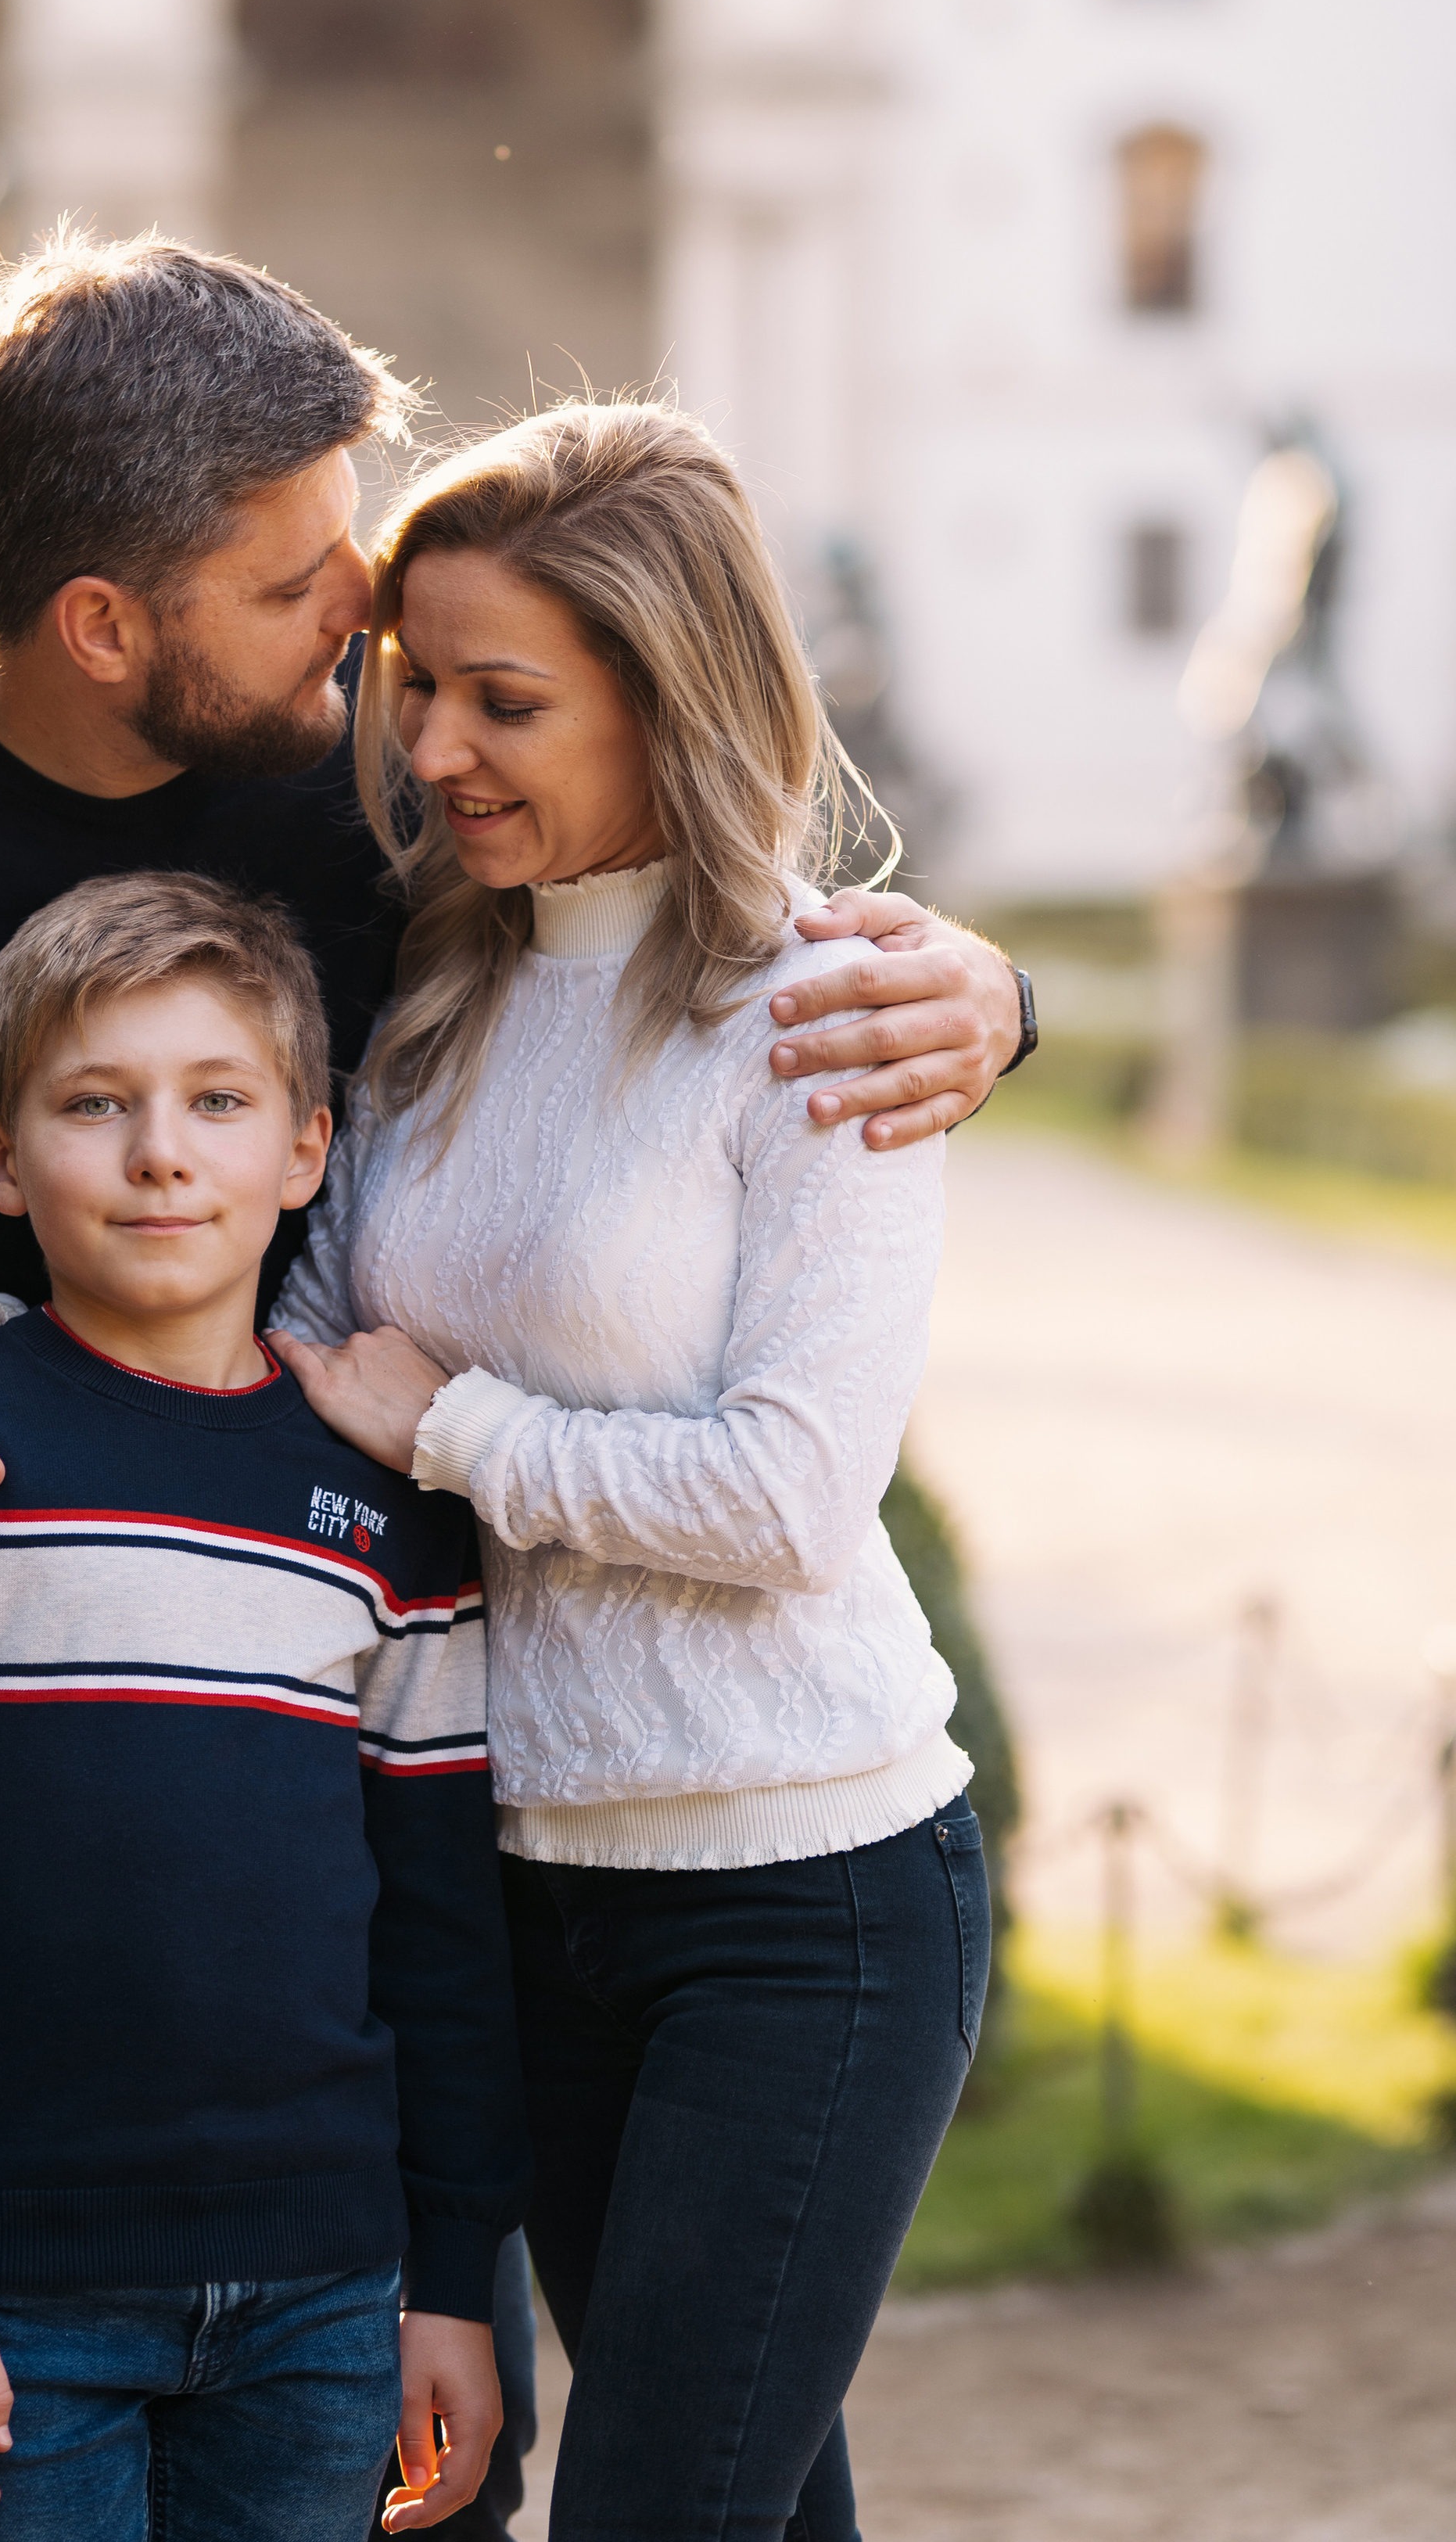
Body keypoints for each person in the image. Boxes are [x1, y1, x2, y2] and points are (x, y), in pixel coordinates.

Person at [0, 234, 1024, 2541]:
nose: (377, 641)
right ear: (108, 623)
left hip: (366, 1690)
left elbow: (672, 931)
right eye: (308, 580)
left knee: (418, 2423)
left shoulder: (369, 810)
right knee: (20, 2386)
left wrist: (990, 1004)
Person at [256, 400, 989, 2542]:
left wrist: (461, 1432)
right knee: (752, 2504)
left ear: (667, 702)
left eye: (508, 702)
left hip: (810, 1902)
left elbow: (788, 1503)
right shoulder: (431, 1007)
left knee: (656, 2510)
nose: (440, 753)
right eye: (421, 696)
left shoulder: (830, 1005)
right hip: (522, 1886)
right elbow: (306, 1335)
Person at [0, 869, 526, 2540]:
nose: (160, 1153)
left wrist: (449, 2280)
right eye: (93, 1105)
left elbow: (442, 1936)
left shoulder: (390, 1504)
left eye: (216, 1102)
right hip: (3, 2293)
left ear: (305, 1150)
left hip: (326, 2293)